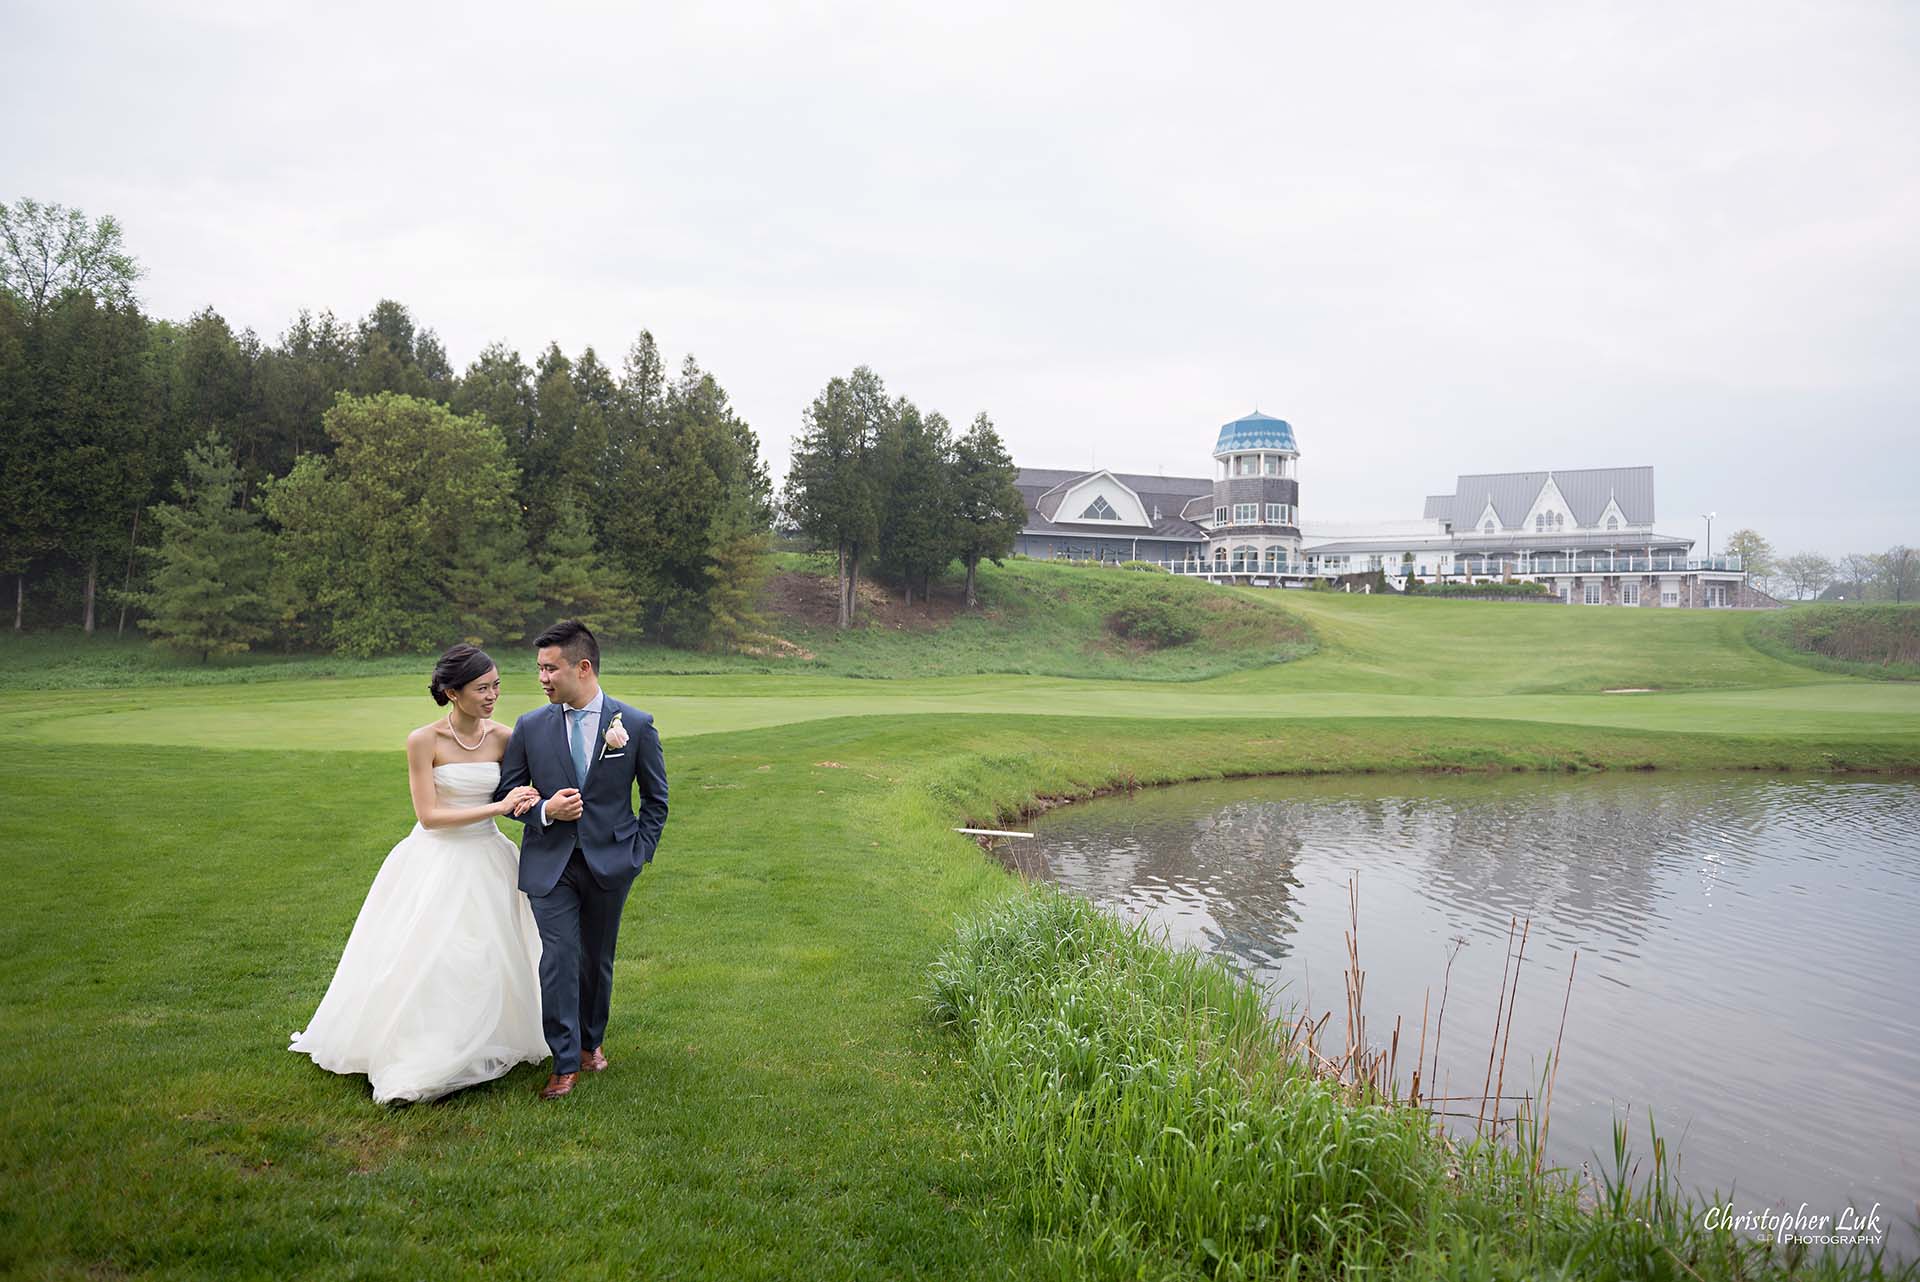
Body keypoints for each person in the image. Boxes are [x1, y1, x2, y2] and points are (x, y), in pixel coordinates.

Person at [289, 645, 548, 1105]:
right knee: (432, 956)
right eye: (481, 688)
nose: (492, 696)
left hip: (489, 859)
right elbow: (429, 816)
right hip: (436, 859)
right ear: (451, 692)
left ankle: (478, 1041)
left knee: (486, 956)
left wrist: (528, 800)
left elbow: (521, 791)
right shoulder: (423, 740)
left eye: (496, 686)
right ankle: (421, 1052)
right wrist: (499, 806)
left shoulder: (506, 737)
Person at [494, 619, 669, 1101]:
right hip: (550, 865)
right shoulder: (529, 726)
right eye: (539, 669)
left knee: (597, 960)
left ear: (583, 667)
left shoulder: (633, 725)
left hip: (611, 863)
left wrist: (639, 853)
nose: (542, 678)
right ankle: (564, 1061)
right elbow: (507, 792)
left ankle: (593, 1044)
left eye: (551, 668)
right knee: (559, 960)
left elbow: (656, 800)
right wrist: (546, 811)